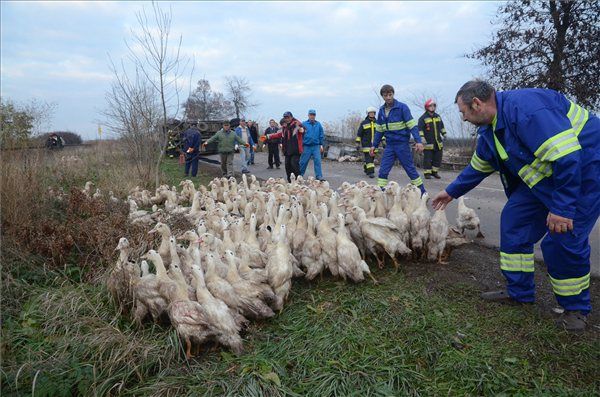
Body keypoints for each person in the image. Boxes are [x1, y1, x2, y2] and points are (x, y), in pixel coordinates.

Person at [431, 80, 600, 332]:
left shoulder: (528, 110)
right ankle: (520, 293)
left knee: (562, 238)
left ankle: (576, 309)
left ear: (476, 104)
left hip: (583, 172)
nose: (463, 118)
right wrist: (451, 192)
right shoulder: (491, 129)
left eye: (463, 112)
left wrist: (563, 208)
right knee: (514, 222)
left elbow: (567, 157)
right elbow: (479, 166)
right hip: (548, 178)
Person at [370, 84, 425, 192]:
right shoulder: (381, 111)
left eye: (390, 95)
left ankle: (423, 193)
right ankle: (381, 194)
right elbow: (379, 131)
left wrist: (418, 141)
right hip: (390, 146)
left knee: (410, 170)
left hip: (402, 145)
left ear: (393, 94)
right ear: (382, 96)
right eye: (386, 95)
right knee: (383, 171)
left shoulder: (402, 108)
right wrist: (374, 146)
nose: (388, 97)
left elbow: (412, 126)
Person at [265, 112, 304, 182]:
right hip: (287, 150)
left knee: (294, 165)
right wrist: (268, 136)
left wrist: (301, 130)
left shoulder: (296, 124)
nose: (287, 119)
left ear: (291, 117)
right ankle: (290, 182)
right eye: (285, 117)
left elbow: (300, 127)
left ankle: (299, 181)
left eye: (288, 117)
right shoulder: (284, 128)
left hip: (296, 149)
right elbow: (279, 134)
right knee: (287, 166)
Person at [418, 98, 447, 179]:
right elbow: (420, 129)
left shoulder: (438, 116)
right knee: (428, 159)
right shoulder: (422, 118)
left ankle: (434, 172)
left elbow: (442, 126)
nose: (433, 107)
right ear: (427, 107)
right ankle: (427, 173)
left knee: (437, 158)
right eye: (431, 105)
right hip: (428, 143)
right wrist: (422, 138)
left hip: (438, 142)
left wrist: (444, 134)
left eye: (434, 105)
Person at [299, 109, 325, 181]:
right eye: (311, 115)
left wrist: (321, 145)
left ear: (315, 116)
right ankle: (300, 175)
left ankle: (319, 176)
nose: (312, 116)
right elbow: (300, 135)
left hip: (316, 146)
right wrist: (300, 145)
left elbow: (321, 135)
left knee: (317, 161)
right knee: (303, 161)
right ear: (308, 115)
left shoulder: (318, 124)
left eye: (313, 115)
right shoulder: (304, 124)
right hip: (306, 146)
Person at [356, 106, 379, 178]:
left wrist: (383, 141)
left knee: (371, 158)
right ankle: (371, 172)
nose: (372, 114)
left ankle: (366, 168)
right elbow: (359, 133)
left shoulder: (378, 123)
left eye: (373, 113)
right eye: (370, 113)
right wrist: (357, 143)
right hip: (366, 144)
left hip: (375, 144)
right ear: (368, 114)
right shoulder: (364, 123)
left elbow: (380, 132)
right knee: (369, 158)